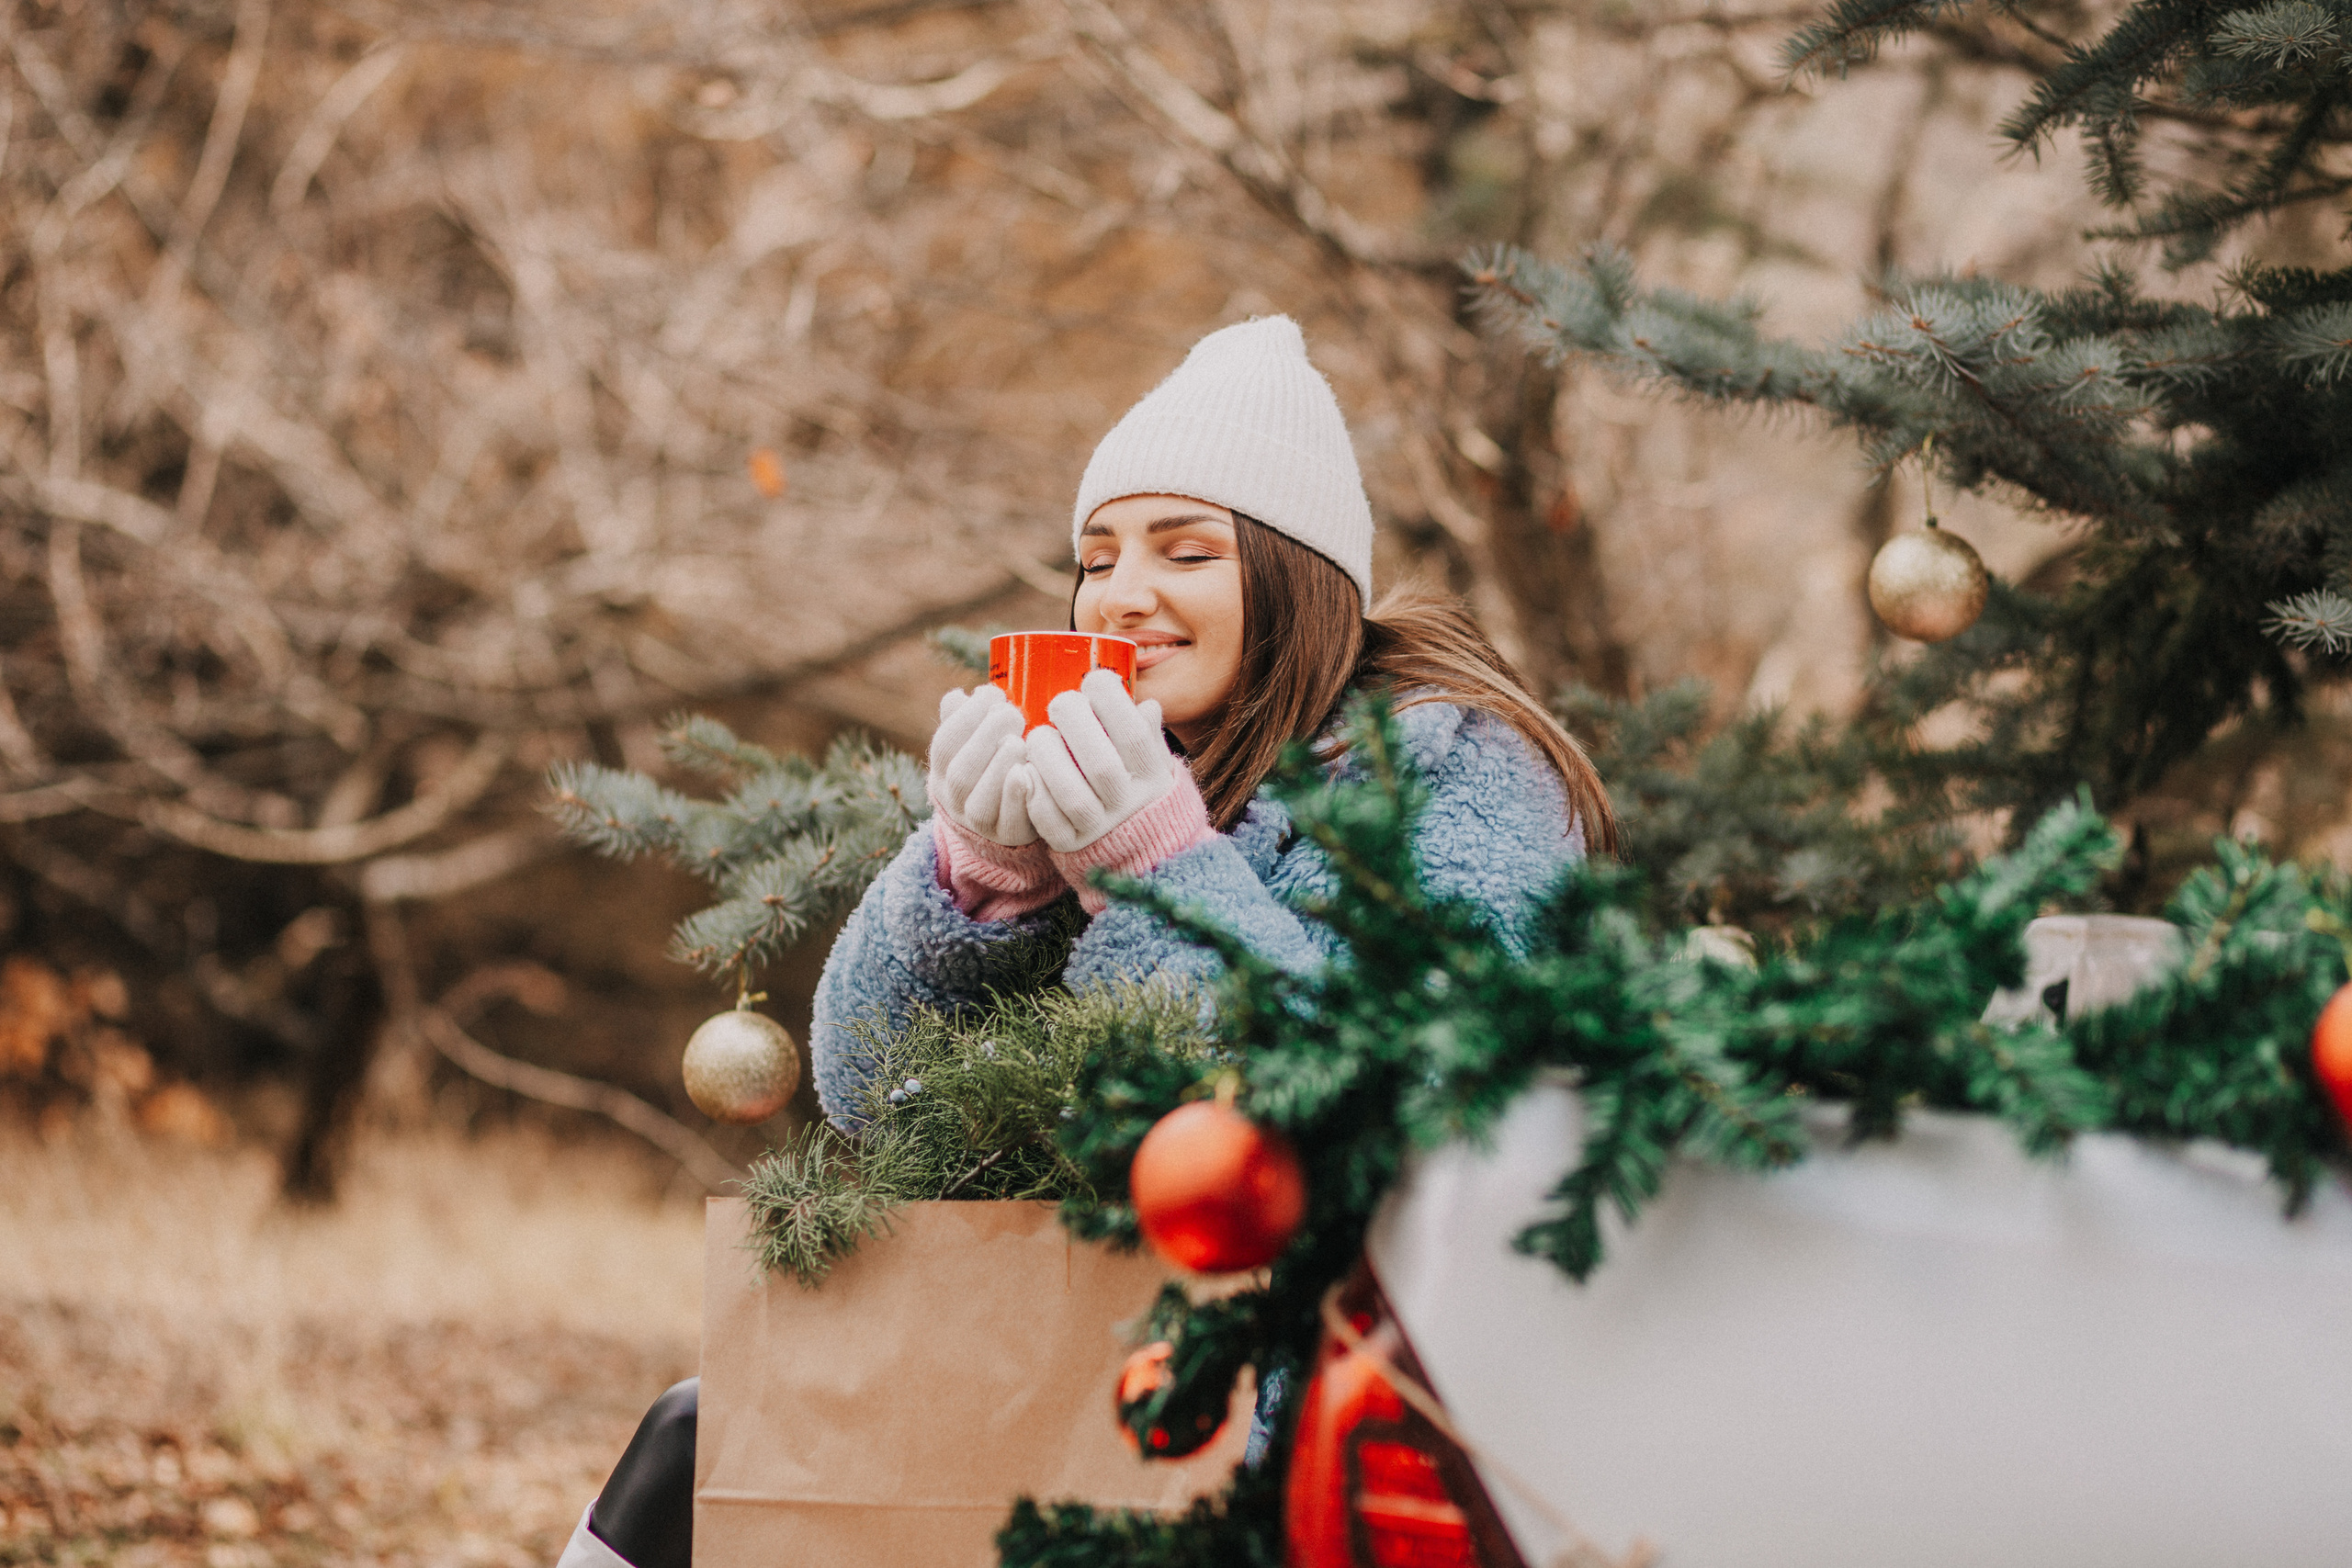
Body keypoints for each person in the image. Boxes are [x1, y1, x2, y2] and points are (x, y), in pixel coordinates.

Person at [553, 315, 1615, 1568]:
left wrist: (1162, 875)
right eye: (1096, 555)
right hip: (1066, 1343)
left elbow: (1418, 1119)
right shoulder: (1112, 768)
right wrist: (974, 889)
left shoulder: (1458, 776)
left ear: (1295, 578)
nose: (1124, 594)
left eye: (1187, 551)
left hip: (1323, 1406)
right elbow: (868, 1100)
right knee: (699, 1439)